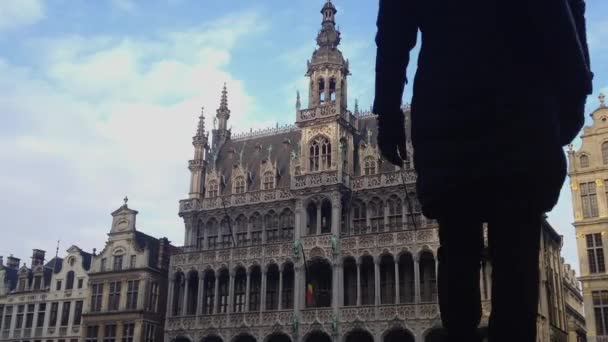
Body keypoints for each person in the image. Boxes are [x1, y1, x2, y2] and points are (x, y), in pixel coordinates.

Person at [373, 0, 592, 341]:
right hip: (521, 98)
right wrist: (577, 85)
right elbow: (571, 10)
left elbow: (393, 28)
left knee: (461, 244)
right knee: (513, 249)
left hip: (452, 101)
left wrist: (387, 110)